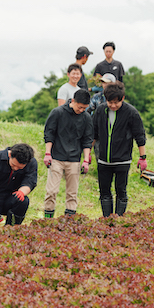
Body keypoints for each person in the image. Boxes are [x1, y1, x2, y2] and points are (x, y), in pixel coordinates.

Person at [92, 82, 147, 217]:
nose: (113, 105)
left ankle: (119, 219)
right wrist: (87, 154)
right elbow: (93, 133)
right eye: (110, 102)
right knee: (104, 191)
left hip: (123, 160)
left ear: (122, 98)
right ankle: (107, 219)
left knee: (121, 191)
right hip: (104, 159)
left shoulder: (131, 112)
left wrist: (142, 157)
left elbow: (139, 135)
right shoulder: (100, 110)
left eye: (116, 102)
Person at [43, 89, 93, 218]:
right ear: (73, 101)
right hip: (56, 158)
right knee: (51, 191)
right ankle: (47, 221)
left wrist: (86, 160)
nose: (81, 110)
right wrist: (47, 153)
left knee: (72, 193)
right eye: (80, 107)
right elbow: (49, 134)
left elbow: (87, 140)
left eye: (85, 108)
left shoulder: (86, 117)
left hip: (74, 160)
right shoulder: (57, 112)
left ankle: (69, 221)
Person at [0, 143, 38, 228]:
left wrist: (21, 192)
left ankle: (12, 228)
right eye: (13, 165)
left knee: (23, 201)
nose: (15, 169)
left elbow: (30, 181)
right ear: (9, 154)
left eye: (19, 168)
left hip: (11, 197)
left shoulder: (32, 163)